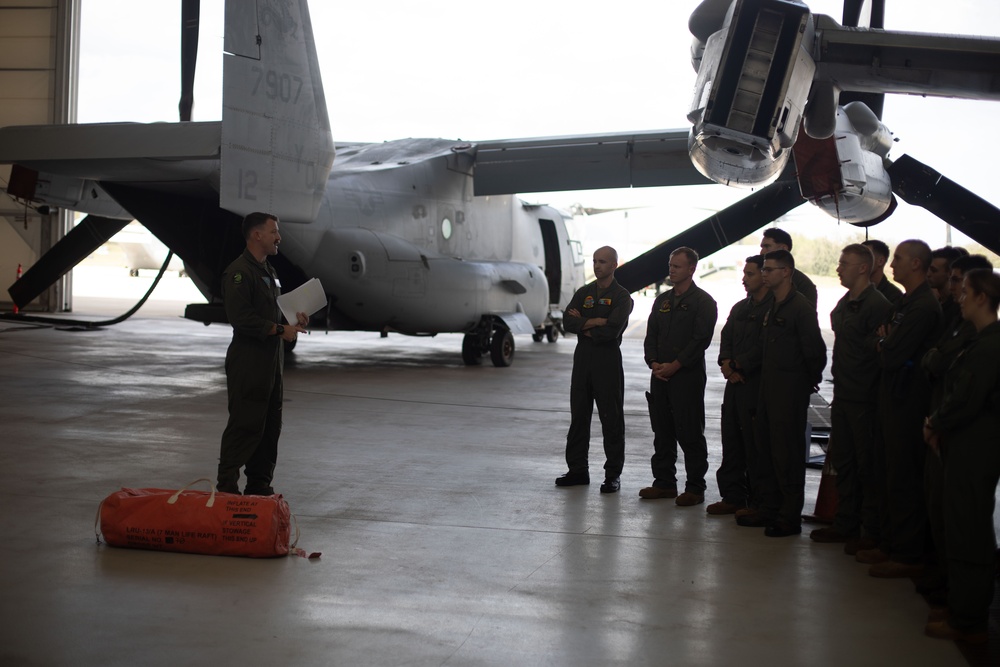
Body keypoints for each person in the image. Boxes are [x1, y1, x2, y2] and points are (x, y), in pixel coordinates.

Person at [922, 269, 1000, 645]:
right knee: (961, 525)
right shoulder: (981, 341)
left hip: (976, 448)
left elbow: (966, 399)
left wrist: (936, 421)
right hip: (966, 445)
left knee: (969, 530)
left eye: (967, 291)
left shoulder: (988, 346)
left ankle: (969, 618)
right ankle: (961, 605)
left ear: (983, 297)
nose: (960, 297)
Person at [860, 240, 942, 576]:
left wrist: (884, 341)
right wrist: (885, 341)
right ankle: (891, 543)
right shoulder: (907, 302)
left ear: (917, 264)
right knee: (888, 473)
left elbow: (892, 353)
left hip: (908, 402)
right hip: (893, 398)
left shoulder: (922, 307)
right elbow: (880, 342)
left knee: (903, 476)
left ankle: (906, 554)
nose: (891, 265)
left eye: (899, 259)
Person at [217, 212, 308, 495]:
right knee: (245, 423)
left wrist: (293, 321)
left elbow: (272, 312)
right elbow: (242, 319)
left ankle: (258, 486)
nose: (279, 237)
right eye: (274, 232)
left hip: (271, 362)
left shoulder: (268, 271)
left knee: (270, 427)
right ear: (257, 235)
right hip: (249, 360)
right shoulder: (239, 273)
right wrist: (281, 331)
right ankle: (227, 488)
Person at [738, 249, 826, 536]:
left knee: (787, 455)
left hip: (789, 393)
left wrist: (803, 383)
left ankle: (789, 516)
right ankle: (769, 508)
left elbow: (815, 353)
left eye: (770, 269)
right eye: (763, 269)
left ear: (786, 272)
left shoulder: (799, 307)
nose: (765, 273)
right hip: (769, 390)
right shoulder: (774, 305)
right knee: (767, 451)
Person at [810, 245, 891, 546]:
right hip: (844, 394)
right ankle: (845, 523)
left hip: (865, 398)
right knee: (844, 462)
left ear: (862, 268)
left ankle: (869, 532)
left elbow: (880, 353)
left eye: (844, 263)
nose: (838, 268)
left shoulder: (877, 305)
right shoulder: (846, 303)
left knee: (866, 466)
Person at [640, 247, 718, 505]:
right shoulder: (661, 301)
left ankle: (695, 487)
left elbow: (700, 341)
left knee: (690, 432)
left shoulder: (704, 302)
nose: (671, 269)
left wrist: (676, 365)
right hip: (660, 375)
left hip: (687, 377)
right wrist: (653, 363)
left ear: (691, 269)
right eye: (670, 265)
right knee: (662, 431)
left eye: (677, 266)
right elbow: (651, 336)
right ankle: (664, 483)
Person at [556, 246, 634, 493]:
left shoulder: (622, 297)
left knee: (611, 419)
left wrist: (584, 325)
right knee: (579, 416)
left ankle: (612, 475)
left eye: (602, 262)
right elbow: (567, 321)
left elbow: (612, 330)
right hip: (583, 361)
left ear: (614, 265)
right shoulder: (584, 292)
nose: (597, 265)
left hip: (607, 361)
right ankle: (577, 470)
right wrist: (596, 321)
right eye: (594, 261)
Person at [709, 255, 772, 515]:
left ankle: (758, 500)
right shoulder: (740, 308)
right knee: (732, 440)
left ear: (764, 276)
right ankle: (733, 495)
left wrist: (737, 365)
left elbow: (764, 346)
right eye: (744, 274)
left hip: (755, 385)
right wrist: (726, 363)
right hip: (734, 385)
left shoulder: (773, 309)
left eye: (750, 274)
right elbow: (727, 338)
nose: (744, 279)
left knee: (755, 445)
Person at [760, 228, 817, 307]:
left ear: (784, 248)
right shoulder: (758, 276)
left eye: (767, 246)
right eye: (762, 247)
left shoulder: (803, 284)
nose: (762, 252)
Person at [927, 246, 965, 326]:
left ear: (950, 273)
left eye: (934, 270)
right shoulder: (938, 302)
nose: (928, 274)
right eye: (928, 269)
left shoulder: (957, 308)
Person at [862, 239, 904, 305]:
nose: (859, 262)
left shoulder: (893, 296)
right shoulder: (856, 291)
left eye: (866, 257)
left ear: (880, 261)